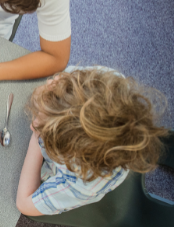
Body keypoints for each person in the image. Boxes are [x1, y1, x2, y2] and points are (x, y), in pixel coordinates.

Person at [16, 68, 169, 215]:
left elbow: (24, 204)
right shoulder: (100, 81)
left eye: (41, 126)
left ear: (71, 153)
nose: (32, 123)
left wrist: (37, 136)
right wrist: (47, 101)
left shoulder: (83, 183)